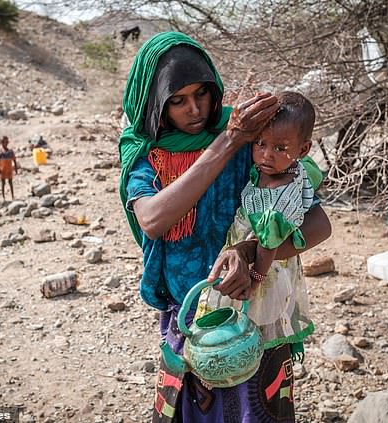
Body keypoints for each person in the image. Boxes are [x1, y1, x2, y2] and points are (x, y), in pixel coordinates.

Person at [118, 32, 331, 422]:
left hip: (254, 306)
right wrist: (227, 142)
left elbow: (316, 222)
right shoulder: (149, 153)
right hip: (188, 306)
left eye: (201, 93)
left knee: (256, 408)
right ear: (154, 103)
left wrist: (253, 252)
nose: (195, 109)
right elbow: (152, 220)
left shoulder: (257, 140)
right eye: (177, 100)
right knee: (193, 405)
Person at [197, 91, 318, 360]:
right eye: (260, 144)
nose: (266, 155)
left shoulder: (280, 197)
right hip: (261, 265)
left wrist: (255, 279)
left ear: (303, 149)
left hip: (265, 274)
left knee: (247, 330)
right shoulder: (292, 170)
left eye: (280, 148)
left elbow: (268, 244)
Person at [0, 135, 18, 200]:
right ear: (1, 143)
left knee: (10, 182)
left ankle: (12, 196)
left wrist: (16, 168)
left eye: (6, 142)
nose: (5, 144)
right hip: (2, 170)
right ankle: (3, 197)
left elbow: (14, 160)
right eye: (3, 142)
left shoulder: (10, 152)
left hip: (9, 170)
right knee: (3, 183)